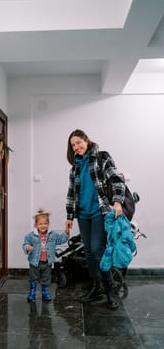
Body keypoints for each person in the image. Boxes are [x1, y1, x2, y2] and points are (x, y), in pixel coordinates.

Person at [65, 129, 125, 310]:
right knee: (89, 253)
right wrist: (69, 216)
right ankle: (96, 286)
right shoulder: (74, 168)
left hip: (100, 212)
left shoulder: (102, 157)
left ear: (86, 140)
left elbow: (116, 179)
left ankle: (109, 290)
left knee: (96, 250)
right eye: (73, 145)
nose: (76, 147)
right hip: (83, 214)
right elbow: (71, 193)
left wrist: (117, 202)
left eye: (78, 142)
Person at [22, 208, 70, 303]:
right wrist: (27, 247)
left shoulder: (53, 235)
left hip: (47, 262)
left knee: (46, 278)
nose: (43, 226)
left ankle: (45, 292)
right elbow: (25, 244)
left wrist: (67, 230)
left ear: (48, 224)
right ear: (36, 225)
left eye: (45, 223)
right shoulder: (31, 236)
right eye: (40, 224)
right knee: (33, 277)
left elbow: (61, 239)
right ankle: (32, 292)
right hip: (35, 262)